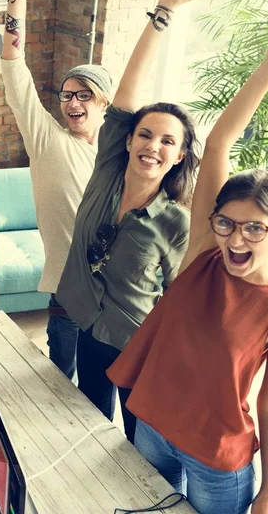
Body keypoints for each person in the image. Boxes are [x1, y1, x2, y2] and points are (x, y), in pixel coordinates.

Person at [107, 50, 268, 514]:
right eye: (227, 223)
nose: (236, 238)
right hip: (151, 428)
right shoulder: (204, 251)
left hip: (216, 459)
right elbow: (218, 144)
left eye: (255, 228)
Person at [55, 0, 204, 442]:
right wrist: (163, 13)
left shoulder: (176, 222)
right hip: (86, 328)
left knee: (139, 442)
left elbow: (180, 297)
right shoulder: (106, 173)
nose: (152, 146)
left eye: (167, 141)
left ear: (179, 156)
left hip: (137, 345)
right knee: (89, 428)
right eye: (145, 133)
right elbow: (126, 96)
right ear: (126, 139)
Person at [1, 0, 112, 383]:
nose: (72, 103)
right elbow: (13, 64)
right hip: (67, 297)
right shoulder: (47, 139)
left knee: (102, 388)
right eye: (66, 94)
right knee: (57, 385)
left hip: (115, 297)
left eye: (84, 94)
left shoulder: (122, 153)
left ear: (105, 101)